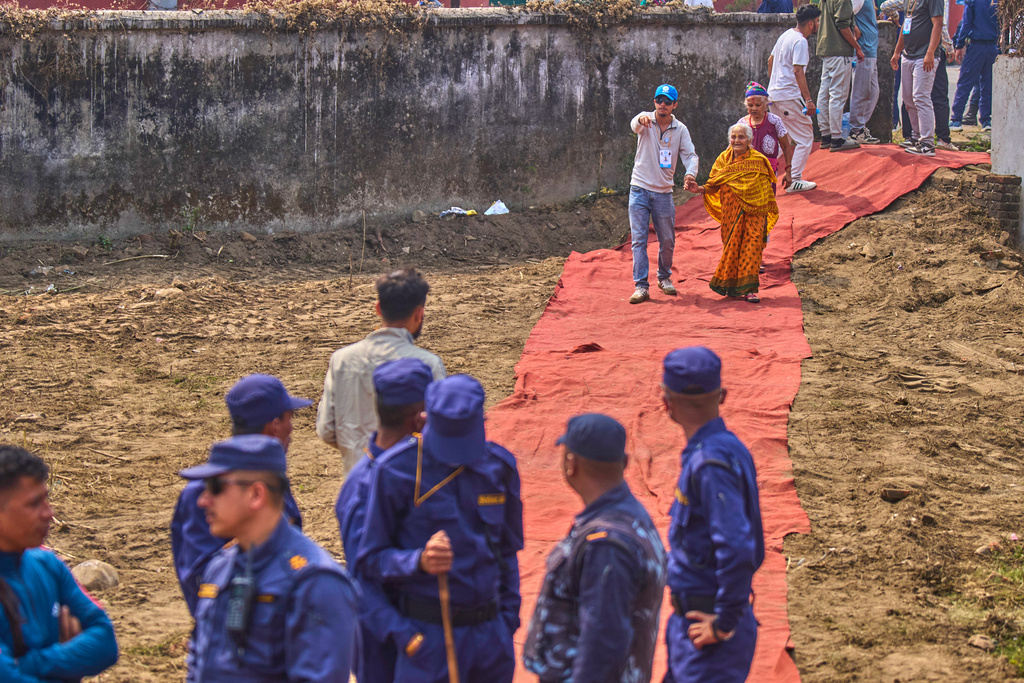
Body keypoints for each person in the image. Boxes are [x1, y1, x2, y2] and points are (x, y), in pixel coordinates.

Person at [357, 374, 523, 683]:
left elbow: (509, 549)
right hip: (428, 637)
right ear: (423, 418)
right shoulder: (395, 471)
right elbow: (368, 562)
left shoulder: (499, 467)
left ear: (482, 421)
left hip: (490, 637)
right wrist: (417, 561)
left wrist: (508, 620)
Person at [184, 435, 359, 681]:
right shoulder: (220, 567)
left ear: (256, 494)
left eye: (215, 487)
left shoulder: (315, 582)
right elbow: (199, 664)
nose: (203, 500)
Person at [523, 414, 667, 683]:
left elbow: (604, 643)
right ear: (623, 463)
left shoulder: (606, 544)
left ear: (570, 464)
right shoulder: (629, 516)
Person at [660, 348, 765, 683]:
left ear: (666, 402)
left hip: (708, 633)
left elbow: (736, 547)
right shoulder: (729, 447)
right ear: (722, 395)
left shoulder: (709, 464)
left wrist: (724, 623)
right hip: (692, 624)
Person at [172, 374, 309, 618]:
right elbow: (200, 580)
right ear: (274, 425)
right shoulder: (207, 492)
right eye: (290, 418)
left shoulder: (270, 479)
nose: (292, 427)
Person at [335, 357, 433, 683]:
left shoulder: (413, 467)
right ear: (418, 416)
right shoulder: (363, 488)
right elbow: (361, 579)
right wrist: (407, 637)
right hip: (385, 642)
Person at [0, 445, 119, 682]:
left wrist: (29, 662)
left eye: (46, 500)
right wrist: (66, 660)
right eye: (34, 504)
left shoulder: (47, 564)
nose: (49, 513)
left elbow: (106, 642)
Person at [317, 268, 447, 474]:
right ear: (419, 313)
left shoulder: (341, 359)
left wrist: (358, 451)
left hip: (358, 479)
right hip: (411, 483)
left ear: (378, 309)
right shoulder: (428, 364)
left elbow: (326, 430)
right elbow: (440, 431)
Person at [687, 123, 779, 304]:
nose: (737, 140)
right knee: (732, 247)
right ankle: (731, 285)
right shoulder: (723, 160)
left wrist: (758, 203)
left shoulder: (759, 160)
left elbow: (765, 189)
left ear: (750, 140)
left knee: (752, 247)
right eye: (734, 137)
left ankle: (750, 289)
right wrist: (698, 189)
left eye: (741, 137)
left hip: (756, 212)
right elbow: (713, 184)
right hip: (731, 212)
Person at [626, 84, 699, 305]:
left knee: (667, 239)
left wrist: (690, 174)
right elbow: (634, 123)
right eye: (659, 100)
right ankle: (641, 286)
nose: (663, 105)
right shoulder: (645, 120)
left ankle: (664, 276)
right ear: (654, 102)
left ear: (675, 105)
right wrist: (640, 120)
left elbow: (690, 155)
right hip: (639, 188)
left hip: (664, 192)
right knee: (639, 240)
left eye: (668, 101)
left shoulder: (680, 129)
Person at [767, 4, 823, 193]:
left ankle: (765, 176)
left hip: (774, 95)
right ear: (811, 23)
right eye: (817, 21)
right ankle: (795, 179)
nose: (818, 24)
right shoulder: (800, 41)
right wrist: (808, 100)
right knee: (806, 137)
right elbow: (798, 70)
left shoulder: (785, 35)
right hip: (788, 96)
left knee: (784, 138)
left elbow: (770, 60)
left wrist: (774, 86)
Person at [889, 0, 944, 156]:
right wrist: (897, 51)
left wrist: (930, 52)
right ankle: (916, 136)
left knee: (921, 96)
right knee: (908, 99)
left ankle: (927, 142)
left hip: (924, 55)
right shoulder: (909, 1)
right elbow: (906, 26)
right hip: (908, 54)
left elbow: (938, 24)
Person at [815, 0, 865, 151]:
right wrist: (857, 47)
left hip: (826, 49)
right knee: (838, 95)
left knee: (824, 94)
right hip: (839, 51)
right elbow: (842, 25)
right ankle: (837, 137)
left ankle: (826, 135)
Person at [949, 0, 1000, 133]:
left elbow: (966, 23)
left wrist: (959, 45)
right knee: (987, 85)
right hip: (993, 46)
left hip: (976, 46)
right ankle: (986, 120)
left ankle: (956, 120)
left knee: (965, 83)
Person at [737, 82, 795, 192]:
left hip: (768, 173)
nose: (754, 108)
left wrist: (788, 171)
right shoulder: (741, 124)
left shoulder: (775, 121)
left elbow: (786, 147)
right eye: (750, 105)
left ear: (766, 105)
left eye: (757, 105)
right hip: (747, 174)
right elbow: (732, 150)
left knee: (766, 205)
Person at [848, 0, 882, 144]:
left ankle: (860, 127)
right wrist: (856, 31)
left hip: (871, 49)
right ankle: (856, 130)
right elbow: (844, 15)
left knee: (873, 92)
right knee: (861, 91)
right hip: (864, 49)